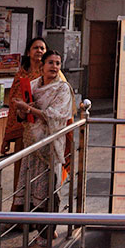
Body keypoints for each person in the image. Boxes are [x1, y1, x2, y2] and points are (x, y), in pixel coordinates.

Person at [11, 50, 74, 223]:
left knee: (49, 191)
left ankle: (45, 234)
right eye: (51, 63)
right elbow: (22, 118)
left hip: (50, 146)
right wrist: (22, 111)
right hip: (32, 144)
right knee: (31, 189)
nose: (54, 66)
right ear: (42, 66)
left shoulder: (62, 89)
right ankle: (35, 227)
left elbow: (55, 115)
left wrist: (29, 109)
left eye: (58, 63)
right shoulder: (31, 86)